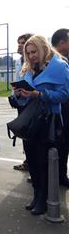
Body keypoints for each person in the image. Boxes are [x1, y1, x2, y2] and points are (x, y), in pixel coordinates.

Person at [14, 35, 69, 215]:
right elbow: (24, 97)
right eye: (28, 53)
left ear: (43, 48)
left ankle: (44, 200)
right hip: (30, 121)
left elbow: (64, 95)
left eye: (34, 51)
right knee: (32, 161)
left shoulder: (60, 67)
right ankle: (37, 195)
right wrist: (19, 94)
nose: (31, 56)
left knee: (43, 161)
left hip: (48, 121)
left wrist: (38, 95)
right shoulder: (28, 68)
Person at [12, 33, 34, 172]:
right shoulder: (18, 61)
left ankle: (36, 167)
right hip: (21, 101)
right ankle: (28, 162)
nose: (20, 45)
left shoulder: (35, 62)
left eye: (23, 42)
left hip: (33, 103)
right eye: (19, 42)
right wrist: (14, 96)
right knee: (24, 134)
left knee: (33, 136)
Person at [51, 28, 69, 187]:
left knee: (63, 146)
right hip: (57, 111)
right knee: (58, 145)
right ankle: (56, 177)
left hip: (63, 109)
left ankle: (60, 175)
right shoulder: (54, 61)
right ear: (62, 42)